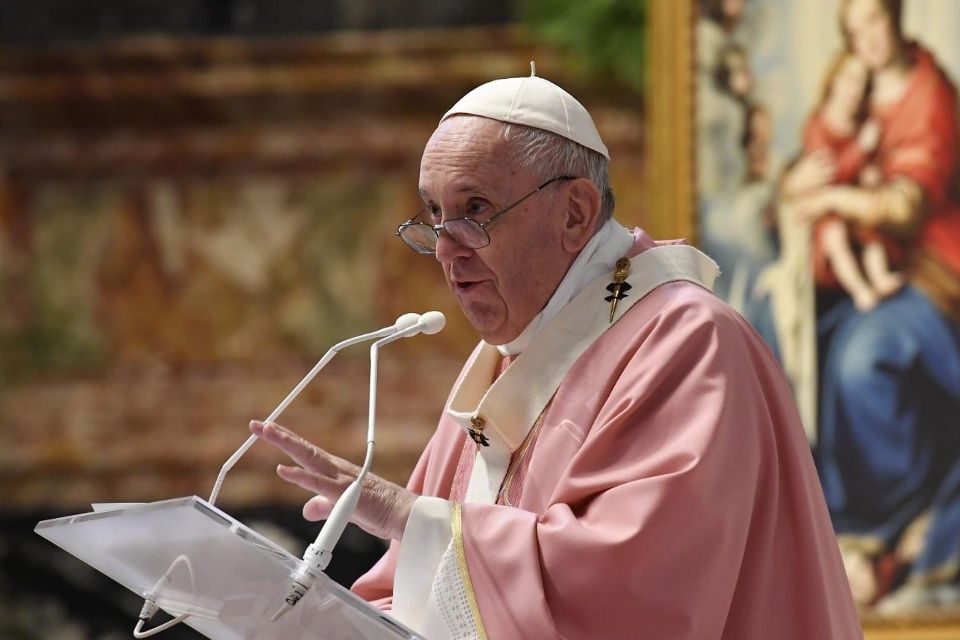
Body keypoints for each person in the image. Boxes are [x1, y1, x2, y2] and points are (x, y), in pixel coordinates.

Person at [250, 68, 862, 638]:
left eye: (476, 210)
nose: (445, 249)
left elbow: (635, 594)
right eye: (435, 214)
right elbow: (409, 590)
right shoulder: (508, 357)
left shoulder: (691, 341)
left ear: (575, 212)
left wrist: (403, 514)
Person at [786, 0, 960, 612]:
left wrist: (831, 193)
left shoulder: (929, 94)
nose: (867, 39)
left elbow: (909, 205)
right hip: (869, 265)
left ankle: (892, 516)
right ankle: (844, 522)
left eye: (875, 23)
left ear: (896, 19)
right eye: (855, 30)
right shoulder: (856, 95)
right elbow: (808, 170)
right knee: (806, 344)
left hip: (932, 273)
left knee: (864, 360)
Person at [797, 52, 904, 312]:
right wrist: (860, 148)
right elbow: (829, 174)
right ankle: (860, 290)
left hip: (848, 202)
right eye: (849, 80)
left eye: (861, 83)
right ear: (833, 80)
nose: (854, 90)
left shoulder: (858, 124)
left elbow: (863, 168)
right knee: (835, 235)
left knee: (870, 223)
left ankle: (879, 277)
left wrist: (870, 171)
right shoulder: (819, 124)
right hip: (825, 210)